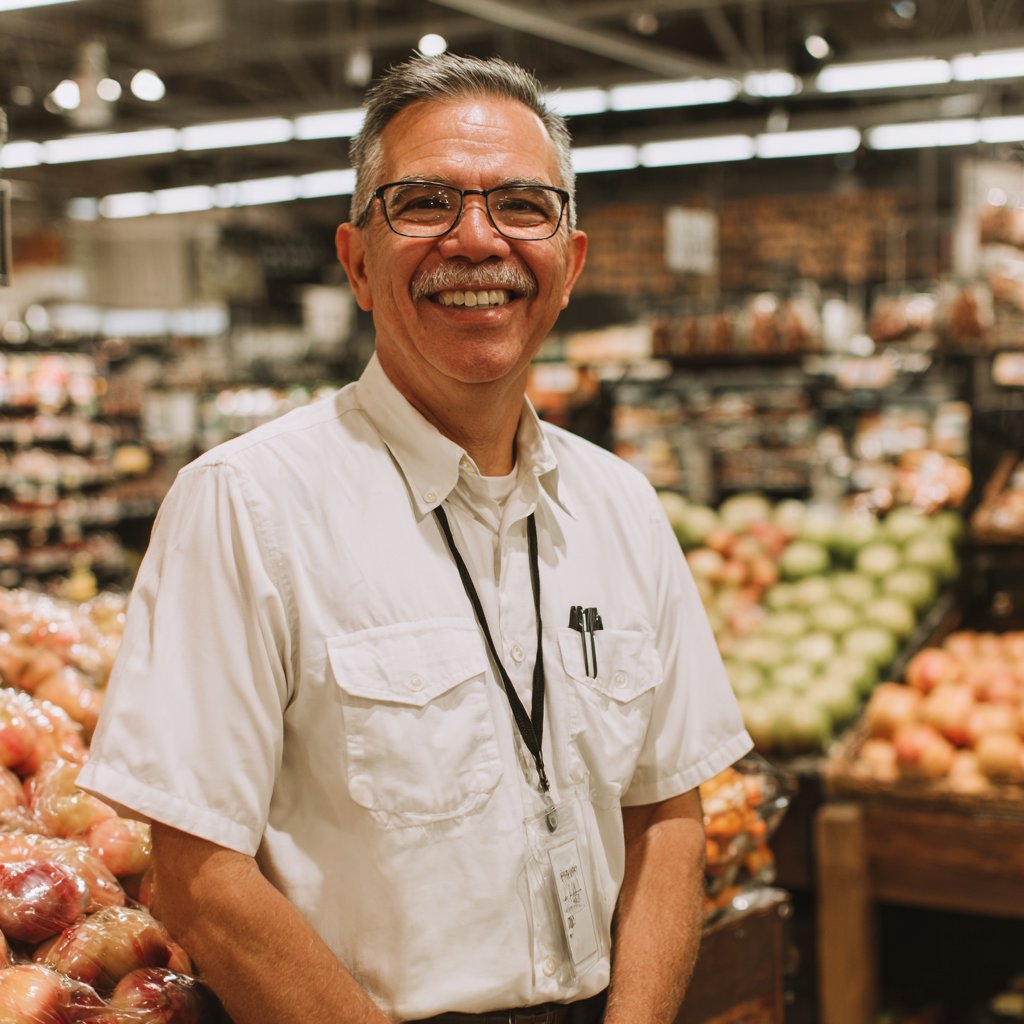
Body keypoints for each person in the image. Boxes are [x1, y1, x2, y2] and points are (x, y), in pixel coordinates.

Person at [78, 52, 752, 1024]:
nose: (476, 240)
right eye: (426, 203)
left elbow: (665, 815)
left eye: (522, 205)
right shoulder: (247, 505)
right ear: (357, 261)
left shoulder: (622, 507)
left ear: (570, 264)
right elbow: (198, 878)